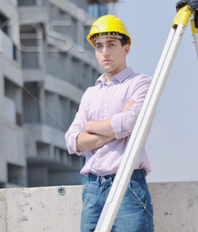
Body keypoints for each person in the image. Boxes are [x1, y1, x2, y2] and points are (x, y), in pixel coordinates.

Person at [65, 15, 153, 232]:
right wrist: (116, 128)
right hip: (93, 187)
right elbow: (71, 140)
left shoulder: (141, 83)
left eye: (111, 44)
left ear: (126, 48)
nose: (104, 52)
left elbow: (131, 122)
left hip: (128, 185)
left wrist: (91, 126)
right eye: (99, 46)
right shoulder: (90, 93)